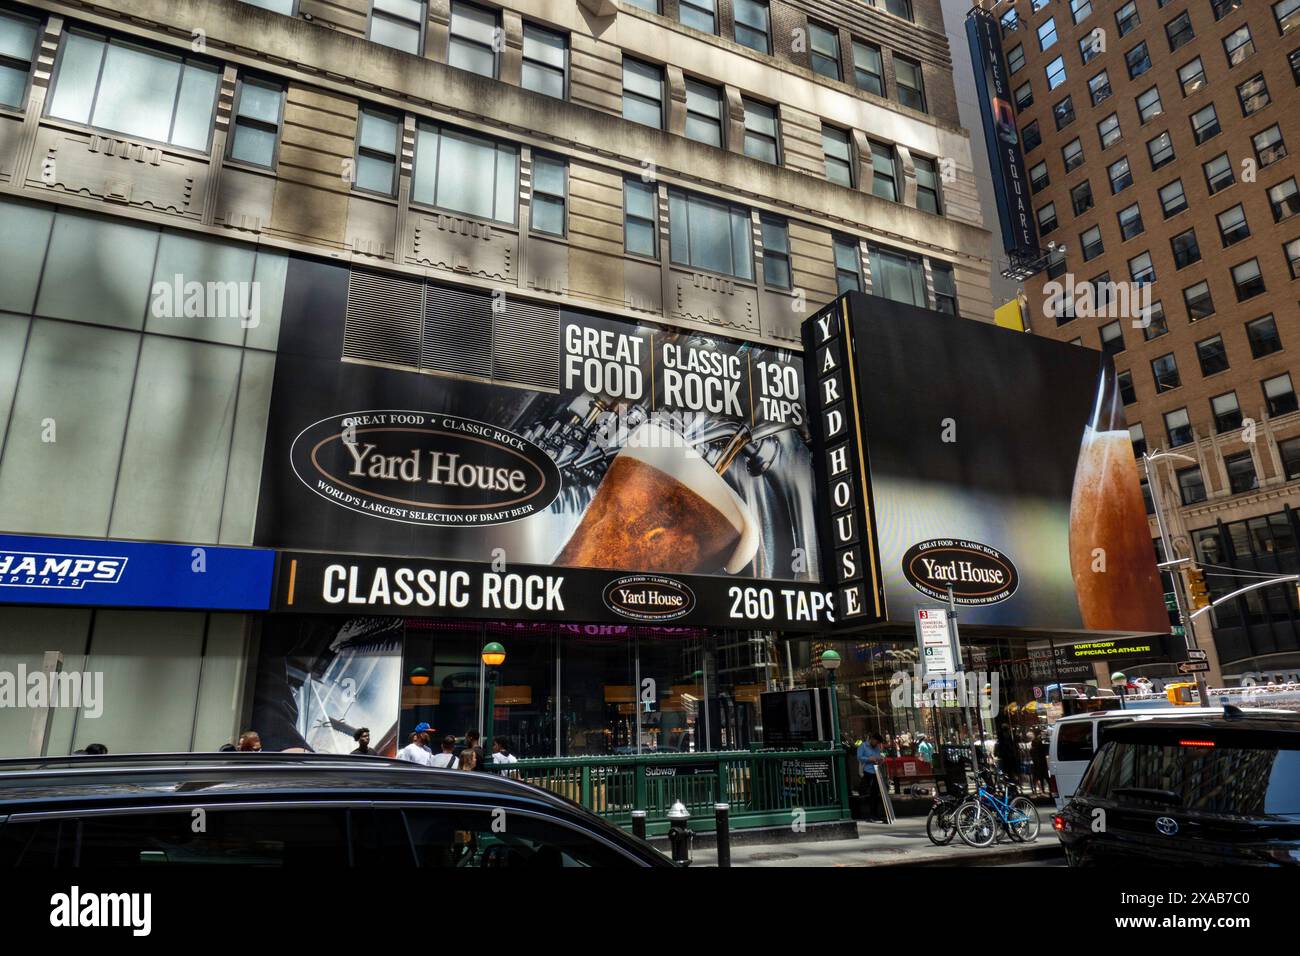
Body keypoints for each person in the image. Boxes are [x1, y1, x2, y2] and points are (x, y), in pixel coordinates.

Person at [856, 733, 888, 823]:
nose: (877, 744)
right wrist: (869, 759)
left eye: (878, 743)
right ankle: (869, 815)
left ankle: (876, 814)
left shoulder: (877, 747)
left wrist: (880, 760)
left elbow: (878, 756)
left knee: (876, 793)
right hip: (867, 772)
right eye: (876, 742)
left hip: (876, 771)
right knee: (869, 793)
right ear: (872, 739)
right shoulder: (863, 746)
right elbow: (859, 757)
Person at [1030, 728, 1050, 794]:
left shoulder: (1032, 750)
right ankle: (1047, 790)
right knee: (1046, 778)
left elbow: (1033, 757)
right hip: (1042, 764)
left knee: (1039, 778)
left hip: (1037, 765)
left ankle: (1041, 790)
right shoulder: (1040, 747)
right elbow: (1045, 753)